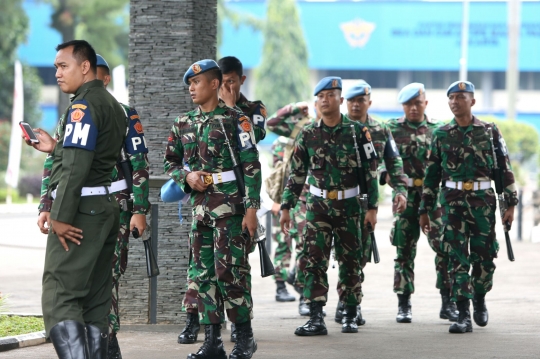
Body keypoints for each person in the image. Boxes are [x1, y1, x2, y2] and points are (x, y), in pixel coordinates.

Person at [31, 54, 150, 359]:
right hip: (77, 204)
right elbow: (58, 162)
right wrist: (47, 204)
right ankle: (94, 345)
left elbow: (138, 164)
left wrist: (139, 210)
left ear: (103, 78)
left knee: (105, 279)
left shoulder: (123, 113)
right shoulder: (71, 113)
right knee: (79, 281)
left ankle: (108, 344)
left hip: (115, 204)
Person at [164, 59, 261, 359]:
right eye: (189, 84)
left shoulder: (236, 119)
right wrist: (187, 177)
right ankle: (213, 342)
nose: (191, 88)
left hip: (230, 209)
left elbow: (252, 166)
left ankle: (244, 338)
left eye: (197, 82)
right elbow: (171, 162)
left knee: (231, 273)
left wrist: (252, 209)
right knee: (203, 275)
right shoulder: (183, 123)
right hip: (201, 212)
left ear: (215, 84)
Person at [280, 77, 379, 336]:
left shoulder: (358, 132)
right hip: (318, 207)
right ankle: (315, 317)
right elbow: (297, 174)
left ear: (341, 100)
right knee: (313, 261)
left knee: (350, 262)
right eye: (321, 96)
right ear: (316, 102)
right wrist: (287, 207)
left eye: (331, 95)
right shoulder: (308, 134)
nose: (325, 100)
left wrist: (372, 208)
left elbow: (370, 172)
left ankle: (348, 313)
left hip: (349, 206)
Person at [420, 81, 518, 334]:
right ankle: (462, 313)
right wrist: (425, 209)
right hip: (452, 203)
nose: (454, 102)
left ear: (472, 101)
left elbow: (504, 169)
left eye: (460, 97)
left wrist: (510, 204)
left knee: (485, 257)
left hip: (483, 202)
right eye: (451, 97)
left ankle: (480, 298)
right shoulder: (441, 134)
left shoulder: (489, 131)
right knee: (456, 256)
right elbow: (431, 175)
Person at [335, 80, 408, 325]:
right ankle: (345, 302)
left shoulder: (380, 129)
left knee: (360, 254)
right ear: (345, 102)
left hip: (366, 200)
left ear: (369, 102)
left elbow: (394, 162)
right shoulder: (336, 125)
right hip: (336, 202)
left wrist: (400, 190)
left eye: (361, 100)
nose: (356, 105)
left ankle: (350, 301)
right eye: (352, 100)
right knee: (341, 254)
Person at [385, 82, 458, 324]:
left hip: (433, 198)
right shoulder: (391, 129)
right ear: (403, 106)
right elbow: (379, 163)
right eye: (408, 104)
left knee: (444, 248)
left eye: (417, 103)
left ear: (425, 103)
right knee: (404, 250)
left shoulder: (438, 130)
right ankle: (404, 303)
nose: (413, 108)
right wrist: (387, 178)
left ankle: (447, 302)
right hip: (406, 197)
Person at [266, 101, 316, 315]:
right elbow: (272, 122)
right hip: (292, 199)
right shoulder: (292, 137)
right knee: (287, 242)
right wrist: (294, 108)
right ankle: (289, 287)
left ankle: (300, 283)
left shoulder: (325, 131)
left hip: (317, 199)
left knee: (309, 248)